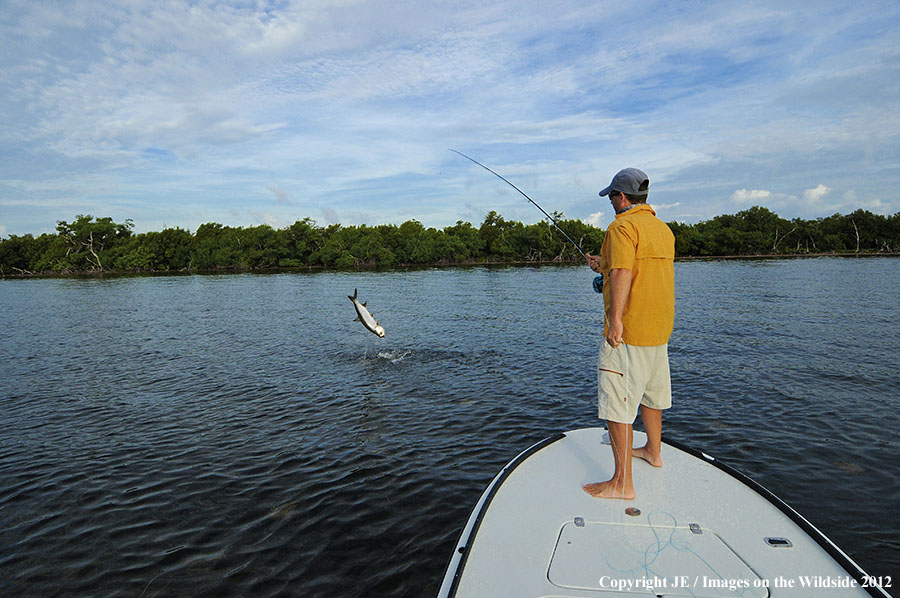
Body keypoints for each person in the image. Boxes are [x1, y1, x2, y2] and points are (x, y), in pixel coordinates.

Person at [583, 167, 675, 500]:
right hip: (659, 328)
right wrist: (601, 263)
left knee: (617, 405)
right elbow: (626, 265)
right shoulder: (662, 229)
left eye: (611, 196)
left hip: (630, 331)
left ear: (621, 197)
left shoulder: (621, 226)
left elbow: (622, 271)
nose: (610, 202)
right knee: (652, 395)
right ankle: (653, 450)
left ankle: (622, 483)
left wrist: (616, 321)